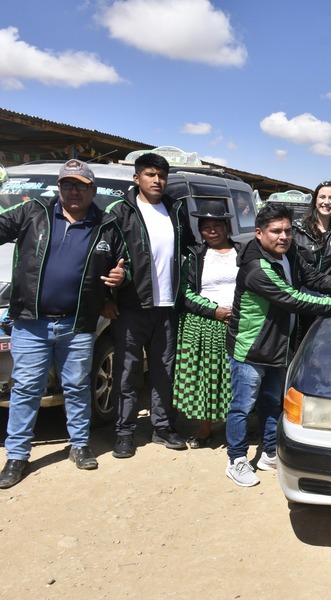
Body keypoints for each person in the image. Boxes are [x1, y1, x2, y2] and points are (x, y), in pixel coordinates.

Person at [0, 160, 127, 489]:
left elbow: (121, 266)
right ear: (59, 188)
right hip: (31, 322)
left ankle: (80, 445)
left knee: (77, 387)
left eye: (81, 185)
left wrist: (118, 279)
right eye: (68, 184)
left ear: (92, 190)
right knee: (26, 389)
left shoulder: (106, 225)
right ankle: (17, 456)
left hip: (78, 324)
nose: (74, 190)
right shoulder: (33, 213)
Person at [225, 203, 331, 487]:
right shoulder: (256, 269)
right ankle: (236, 459)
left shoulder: (287, 252)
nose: (283, 236)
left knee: (271, 402)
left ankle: (268, 453)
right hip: (251, 350)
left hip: (277, 346)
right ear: (258, 233)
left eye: (288, 230)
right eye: (276, 231)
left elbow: (311, 278)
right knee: (242, 406)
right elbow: (295, 299)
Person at [104, 153, 197, 459]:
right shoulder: (120, 212)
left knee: (164, 372)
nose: (157, 181)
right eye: (150, 175)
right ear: (136, 178)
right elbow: (103, 259)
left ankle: (163, 427)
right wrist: (107, 298)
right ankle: (125, 431)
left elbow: (189, 251)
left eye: (161, 176)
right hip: (132, 306)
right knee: (128, 372)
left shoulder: (174, 209)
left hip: (167, 307)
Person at [172, 204, 242, 448]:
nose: (212, 231)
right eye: (206, 228)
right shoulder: (195, 256)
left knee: (238, 377)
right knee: (206, 377)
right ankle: (204, 430)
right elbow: (186, 292)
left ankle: (241, 426)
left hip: (239, 323)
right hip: (204, 324)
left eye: (217, 226)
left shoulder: (242, 253)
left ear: (227, 228)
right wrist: (214, 311)